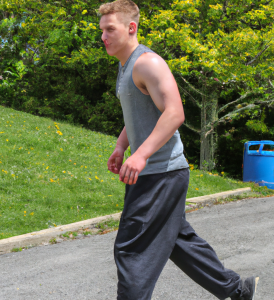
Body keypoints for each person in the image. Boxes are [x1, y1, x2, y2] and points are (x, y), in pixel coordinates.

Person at [99, 1, 259, 299]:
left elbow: (174, 113)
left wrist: (142, 154)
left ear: (131, 28)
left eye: (110, 29)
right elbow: (138, 114)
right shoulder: (125, 66)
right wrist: (122, 146)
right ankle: (238, 291)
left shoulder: (147, 63)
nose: (103, 37)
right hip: (158, 174)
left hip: (160, 174)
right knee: (175, 240)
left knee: (132, 250)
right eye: (102, 30)